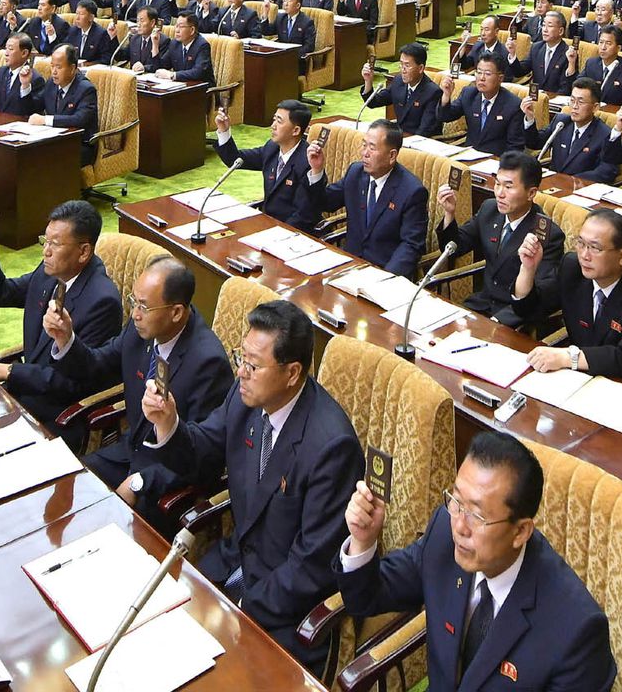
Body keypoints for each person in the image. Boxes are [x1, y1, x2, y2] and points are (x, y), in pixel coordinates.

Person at [140, 298, 363, 671]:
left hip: (287, 610)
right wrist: (169, 424)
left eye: (253, 365)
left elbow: (311, 567)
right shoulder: (245, 398)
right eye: (240, 358)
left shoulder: (331, 447)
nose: (240, 372)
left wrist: (237, 610)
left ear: (292, 373)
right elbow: (202, 452)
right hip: (235, 562)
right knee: (158, 626)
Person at [337, 430, 617, 692]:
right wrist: (363, 540)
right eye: (456, 501)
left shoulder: (577, 631)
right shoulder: (445, 535)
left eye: (478, 516)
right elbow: (367, 598)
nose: (460, 525)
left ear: (521, 531)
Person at [44, 255, 233, 522]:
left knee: (117, 529)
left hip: (168, 478)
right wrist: (66, 339)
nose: (135, 314)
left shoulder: (207, 363)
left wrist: (140, 482)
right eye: (134, 302)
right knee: (69, 488)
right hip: (129, 450)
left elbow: (204, 458)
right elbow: (97, 366)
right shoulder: (139, 330)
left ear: (176, 312)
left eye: (143, 306)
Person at [0, 199, 125, 425]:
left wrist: (11, 372)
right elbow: (2, 294)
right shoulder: (50, 271)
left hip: (58, 412)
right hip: (27, 390)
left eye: (55, 244)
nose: (46, 251)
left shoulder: (102, 302)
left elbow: (76, 384)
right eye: (45, 241)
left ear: (84, 251)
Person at [525, 207, 622, 392]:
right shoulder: (572, 267)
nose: (584, 255)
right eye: (581, 244)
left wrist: (568, 357)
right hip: (577, 380)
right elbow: (531, 309)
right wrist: (528, 269)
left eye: (595, 248)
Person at [435, 150, 565, 328]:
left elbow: (540, 298)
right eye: (497, 184)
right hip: (481, 305)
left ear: (531, 193)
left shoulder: (547, 235)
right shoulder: (489, 209)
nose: (499, 193)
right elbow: (455, 247)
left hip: (514, 318)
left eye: (509, 187)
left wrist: (497, 323)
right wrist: (449, 213)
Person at [305, 119, 428, 278]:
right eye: (364, 145)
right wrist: (316, 171)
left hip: (384, 272)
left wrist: (385, 279)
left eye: (372, 147)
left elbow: (411, 246)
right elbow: (326, 203)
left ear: (392, 155)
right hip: (349, 266)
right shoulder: (356, 173)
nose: (364, 153)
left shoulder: (412, 191)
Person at [214, 99, 317, 230]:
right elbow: (235, 160)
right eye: (274, 119)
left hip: (293, 233)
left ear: (296, 130)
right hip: (268, 225)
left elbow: (302, 216)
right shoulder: (272, 148)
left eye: (279, 121)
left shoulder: (307, 162)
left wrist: (275, 234)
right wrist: (223, 130)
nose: (273, 126)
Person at [436, 54, 528, 155]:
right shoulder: (469, 94)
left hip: (495, 161)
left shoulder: (513, 105)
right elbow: (444, 116)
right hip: (469, 157)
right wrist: (446, 96)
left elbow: (515, 147)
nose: (482, 78)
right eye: (479, 72)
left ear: (500, 78)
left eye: (487, 74)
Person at [529, 77, 618, 180]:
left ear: (595, 107)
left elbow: (607, 171)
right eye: (572, 100)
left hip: (580, 188)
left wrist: (572, 180)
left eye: (581, 102)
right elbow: (535, 142)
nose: (575, 106)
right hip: (553, 184)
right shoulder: (561, 122)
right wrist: (530, 119)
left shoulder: (604, 134)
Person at [31, 45, 99, 166]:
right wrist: (25, 87)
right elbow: (35, 105)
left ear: (72, 68)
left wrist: (45, 120)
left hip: (79, 145)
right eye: (52, 66)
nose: (54, 71)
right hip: (53, 140)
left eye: (59, 67)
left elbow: (79, 120)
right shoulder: (52, 83)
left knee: (47, 159)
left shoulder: (86, 89)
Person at [361, 44, 443, 138]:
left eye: (407, 65)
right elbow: (373, 102)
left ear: (420, 68)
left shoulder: (433, 92)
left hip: (421, 144)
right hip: (401, 138)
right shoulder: (398, 81)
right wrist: (368, 81)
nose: (403, 70)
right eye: (401, 64)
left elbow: (424, 131)